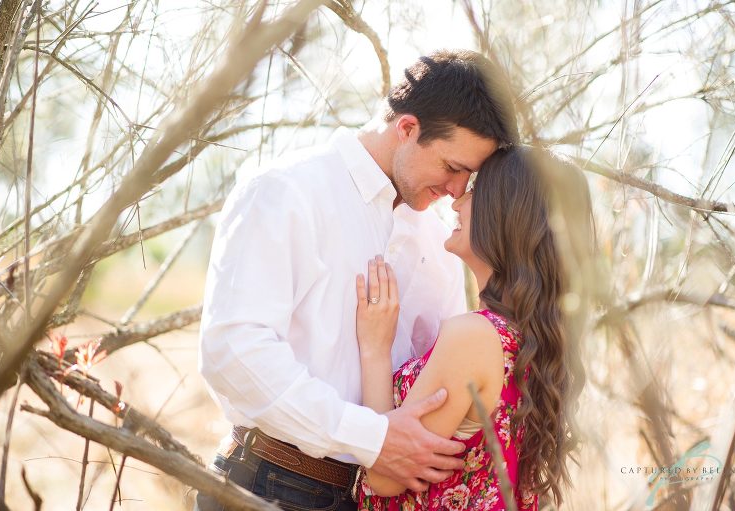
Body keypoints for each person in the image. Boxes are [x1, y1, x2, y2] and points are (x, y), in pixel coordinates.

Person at [196, 49, 518, 510]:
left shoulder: (437, 239)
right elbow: (233, 353)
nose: (455, 191)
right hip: (269, 483)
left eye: (467, 177)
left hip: (374, 498)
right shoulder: (286, 192)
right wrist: (370, 437)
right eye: (452, 168)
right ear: (407, 128)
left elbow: (434, 377)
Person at [354, 146, 593, 510]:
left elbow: (385, 477)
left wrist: (375, 350)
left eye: (476, 191)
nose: (456, 203)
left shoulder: (475, 338)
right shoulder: (529, 341)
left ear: (507, 215)